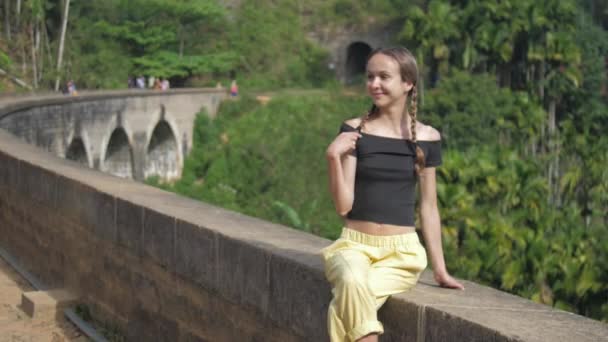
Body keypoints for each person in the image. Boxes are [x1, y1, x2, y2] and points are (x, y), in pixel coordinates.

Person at [322, 47, 464, 342]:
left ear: (408, 83)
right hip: (354, 247)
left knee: (345, 305)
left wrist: (440, 269)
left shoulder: (427, 138)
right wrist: (333, 158)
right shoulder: (353, 131)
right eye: (370, 76)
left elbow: (429, 207)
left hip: (402, 254)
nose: (374, 84)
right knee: (351, 280)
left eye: (384, 77)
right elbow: (344, 205)